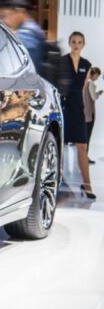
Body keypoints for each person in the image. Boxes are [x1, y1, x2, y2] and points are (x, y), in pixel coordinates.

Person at [61, 31, 95, 199]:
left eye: (79, 42)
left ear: (83, 45)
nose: (76, 44)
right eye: (73, 41)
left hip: (78, 109)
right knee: (60, 145)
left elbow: (83, 89)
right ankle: (57, 180)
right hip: (64, 108)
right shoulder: (61, 62)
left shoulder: (87, 64)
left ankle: (88, 186)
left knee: (82, 146)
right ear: (69, 43)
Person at [0, 0, 45, 71]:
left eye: (7, 16)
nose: (5, 20)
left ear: (19, 11)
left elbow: (10, 58)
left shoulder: (28, 34)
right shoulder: (30, 29)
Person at [83, 66, 103, 164]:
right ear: (93, 74)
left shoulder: (83, 83)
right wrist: (100, 92)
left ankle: (84, 157)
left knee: (84, 136)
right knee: (87, 136)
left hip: (84, 113)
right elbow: (94, 97)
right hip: (90, 113)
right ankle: (85, 157)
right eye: (97, 76)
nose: (97, 78)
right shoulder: (90, 84)